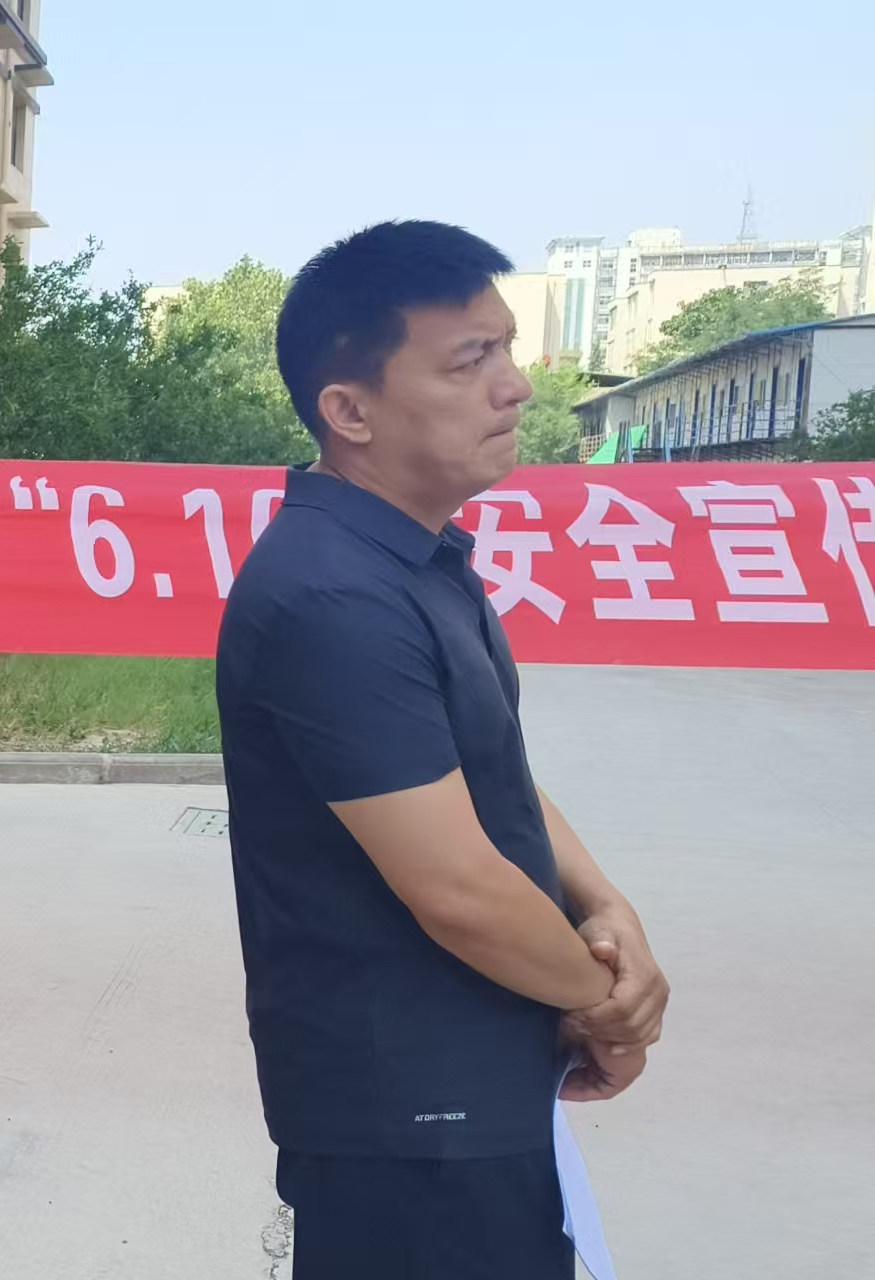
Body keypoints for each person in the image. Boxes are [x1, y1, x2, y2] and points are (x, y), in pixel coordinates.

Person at [218, 220, 670, 1279]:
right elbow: (458, 889)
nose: (514, 387)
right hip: (407, 1114)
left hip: (472, 1075)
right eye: (469, 362)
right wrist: (606, 1003)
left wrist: (609, 908)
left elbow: (489, 771)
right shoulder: (330, 593)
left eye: (505, 348)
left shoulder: (417, 561)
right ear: (350, 411)